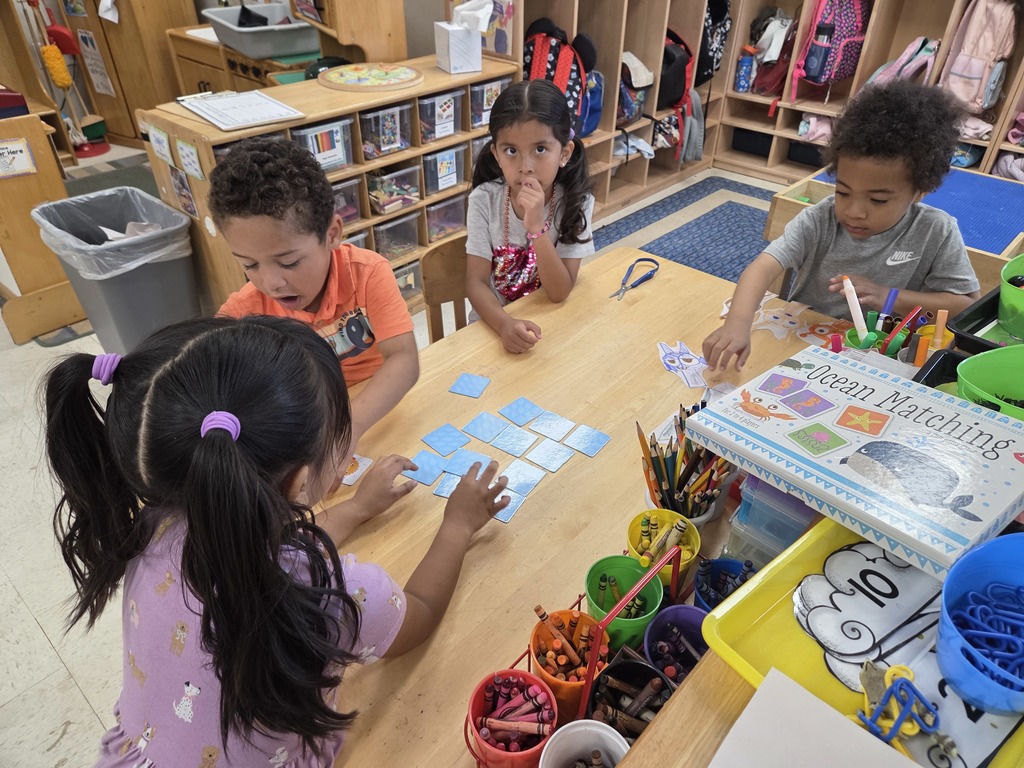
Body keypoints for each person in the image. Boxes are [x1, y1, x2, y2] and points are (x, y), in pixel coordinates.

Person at [44, 315, 510, 767]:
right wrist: (457, 525)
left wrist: (354, 508)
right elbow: (419, 615)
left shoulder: (153, 525)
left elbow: (255, 547)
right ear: (303, 481)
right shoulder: (337, 593)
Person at [703, 81, 981, 372]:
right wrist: (736, 323)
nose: (854, 212)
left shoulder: (936, 231)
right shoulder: (821, 219)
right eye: (843, 192)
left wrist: (891, 296)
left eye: (877, 200)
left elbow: (964, 306)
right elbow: (763, 267)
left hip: (880, 362)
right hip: (803, 345)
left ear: (921, 191)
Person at [209, 138, 419, 445]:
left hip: (376, 409)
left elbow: (403, 359)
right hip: (307, 424)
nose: (271, 283)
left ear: (332, 234)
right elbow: (205, 374)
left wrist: (349, 429)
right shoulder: (243, 311)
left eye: (289, 262)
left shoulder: (367, 272)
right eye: (250, 265)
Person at [466, 79, 596, 354]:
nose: (525, 167)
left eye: (540, 150)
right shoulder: (483, 200)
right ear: (496, 154)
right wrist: (504, 325)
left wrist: (536, 227)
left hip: (553, 325)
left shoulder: (576, 202)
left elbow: (560, 292)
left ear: (564, 152)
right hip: (492, 327)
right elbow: (475, 282)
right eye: (511, 151)